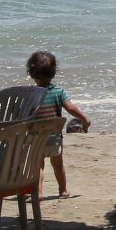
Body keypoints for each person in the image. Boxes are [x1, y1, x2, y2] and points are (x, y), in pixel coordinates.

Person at [27, 50, 93, 198]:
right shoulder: (58, 92)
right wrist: (84, 119)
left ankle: (38, 192)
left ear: (31, 73)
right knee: (57, 164)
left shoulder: (30, 93)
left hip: (35, 136)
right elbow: (71, 108)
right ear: (54, 72)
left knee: (38, 166)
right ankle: (63, 190)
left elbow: (24, 114)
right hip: (54, 136)